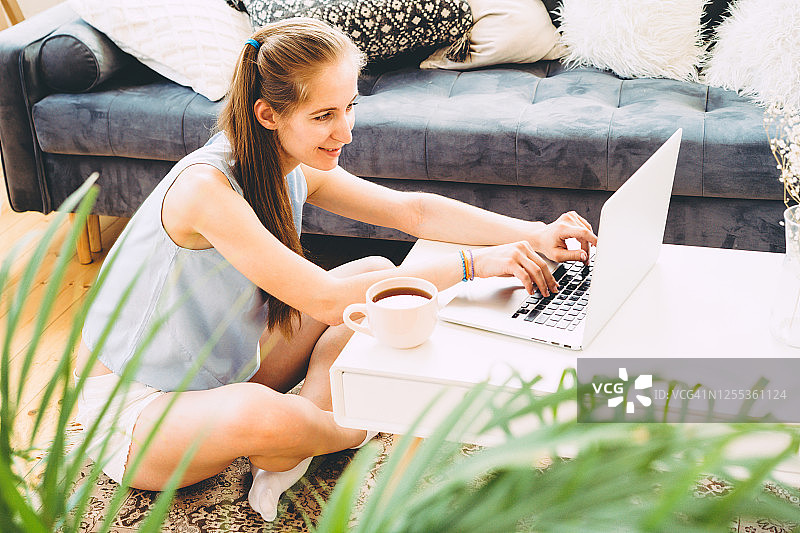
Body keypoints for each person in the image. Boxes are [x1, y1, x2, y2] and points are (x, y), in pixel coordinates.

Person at [74, 17, 597, 522]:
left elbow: (412, 212)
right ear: (267, 115)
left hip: (230, 367)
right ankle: (331, 431)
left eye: (348, 107)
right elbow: (325, 300)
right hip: (136, 414)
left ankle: (298, 437)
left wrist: (532, 232)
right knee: (262, 410)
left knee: (372, 270)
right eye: (323, 116)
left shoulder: (290, 166)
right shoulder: (205, 190)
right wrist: (472, 265)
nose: (344, 131)